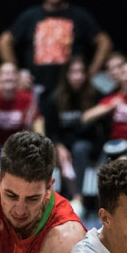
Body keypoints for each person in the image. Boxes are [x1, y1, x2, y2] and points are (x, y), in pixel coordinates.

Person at [0, 0, 112, 113]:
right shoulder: (31, 15)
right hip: (38, 87)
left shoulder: (79, 15)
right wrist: (16, 73)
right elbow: (4, 41)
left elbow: (104, 41)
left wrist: (92, 70)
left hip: (71, 90)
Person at [43, 56, 100, 218]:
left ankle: (78, 198)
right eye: (74, 72)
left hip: (87, 144)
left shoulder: (94, 95)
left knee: (79, 149)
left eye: (81, 72)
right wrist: (59, 147)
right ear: (66, 75)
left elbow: (98, 129)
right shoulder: (54, 99)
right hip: (61, 144)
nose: (78, 76)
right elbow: (50, 131)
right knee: (59, 154)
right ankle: (65, 199)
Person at [82, 60, 127, 160]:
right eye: (125, 74)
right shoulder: (113, 98)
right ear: (120, 77)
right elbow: (86, 117)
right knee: (102, 167)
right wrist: (109, 107)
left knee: (123, 162)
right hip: (115, 142)